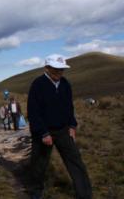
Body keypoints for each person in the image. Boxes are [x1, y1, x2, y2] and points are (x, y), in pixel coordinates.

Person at [27, 54, 92, 199]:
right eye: (56, 69)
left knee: (76, 162)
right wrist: (43, 133)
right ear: (47, 68)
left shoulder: (65, 84)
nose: (59, 72)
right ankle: (36, 192)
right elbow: (33, 112)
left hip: (63, 130)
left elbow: (69, 107)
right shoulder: (38, 84)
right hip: (43, 132)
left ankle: (85, 194)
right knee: (39, 164)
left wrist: (72, 125)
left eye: (62, 69)